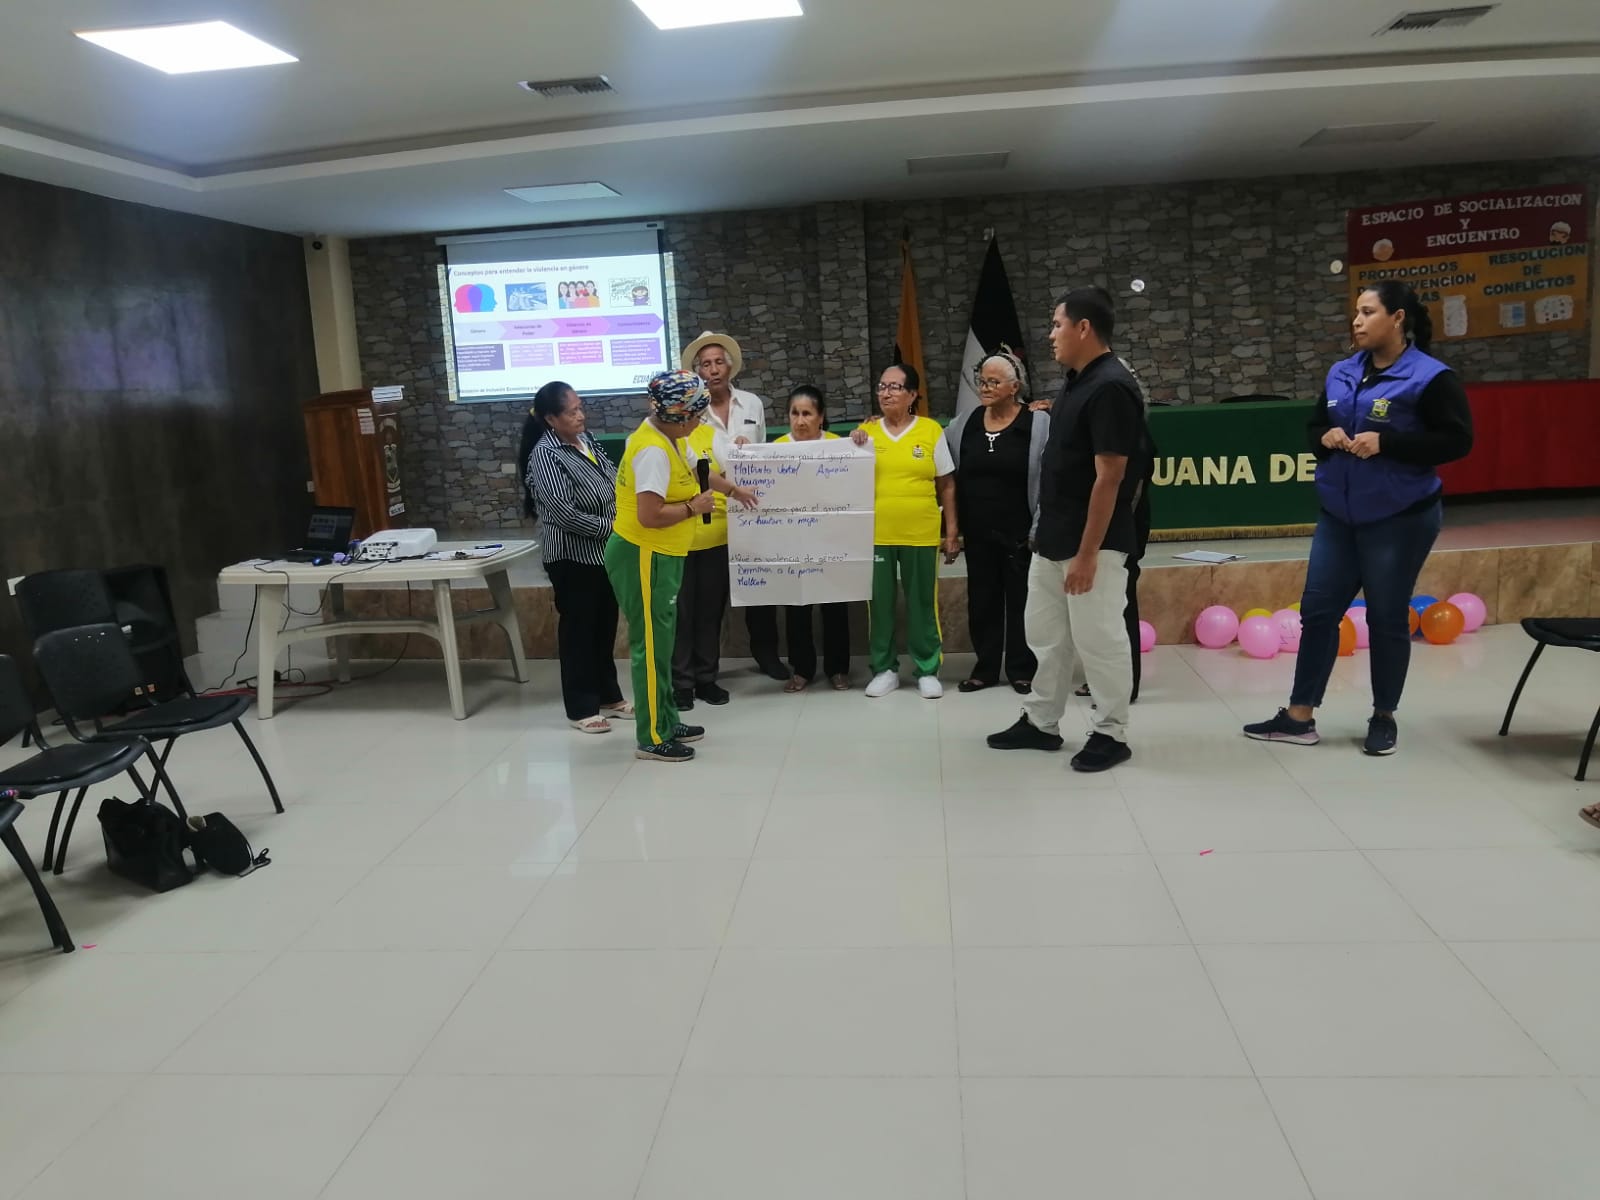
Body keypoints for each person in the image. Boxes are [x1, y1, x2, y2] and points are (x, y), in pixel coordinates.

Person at [1244, 280, 1473, 756]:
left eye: (1368, 312)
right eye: (1356, 312)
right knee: (1318, 612)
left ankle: (1384, 716)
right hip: (1339, 515)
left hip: (1400, 517)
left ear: (1397, 318)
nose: (1357, 321)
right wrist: (1323, 437)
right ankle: (1299, 716)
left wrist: (1388, 443)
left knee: (1387, 616)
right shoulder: (1342, 372)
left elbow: (1457, 440)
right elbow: (1314, 425)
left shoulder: (1429, 377)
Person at [988, 287, 1144, 772]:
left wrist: (1088, 554)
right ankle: (1042, 721)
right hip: (1053, 537)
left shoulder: (1111, 386)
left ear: (1084, 328)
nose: (1051, 335)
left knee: (1099, 640)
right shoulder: (1078, 381)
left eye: (1057, 325)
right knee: (1046, 636)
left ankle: (1111, 732)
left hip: (1093, 544)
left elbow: (1111, 476)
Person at [605, 369, 758, 763]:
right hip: (643, 555)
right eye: (696, 415)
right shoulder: (652, 451)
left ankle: (667, 719)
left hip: (664, 554)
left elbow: (699, 471)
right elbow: (649, 515)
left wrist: (735, 490)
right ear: (678, 415)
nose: (700, 422)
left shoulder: (671, 438)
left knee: (663, 644)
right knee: (650, 647)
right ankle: (652, 737)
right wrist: (694, 507)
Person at [679, 331, 788, 682]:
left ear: (730, 367)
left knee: (760, 591)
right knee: (708, 599)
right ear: (698, 371)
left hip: (751, 510)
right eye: (705, 364)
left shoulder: (752, 404)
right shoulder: (691, 411)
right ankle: (702, 669)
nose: (713, 370)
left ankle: (767, 655)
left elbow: (765, 452)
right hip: (708, 515)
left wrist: (748, 450)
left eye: (718, 362)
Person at [524, 381, 630, 733]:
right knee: (579, 631)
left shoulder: (588, 440)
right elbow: (564, 513)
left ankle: (608, 695)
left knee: (604, 624)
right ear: (551, 418)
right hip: (571, 556)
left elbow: (612, 481)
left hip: (603, 553)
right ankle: (581, 706)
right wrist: (611, 528)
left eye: (580, 408)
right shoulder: (545, 455)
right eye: (571, 412)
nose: (580, 415)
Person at [849, 364, 958, 699]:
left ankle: (927, 668)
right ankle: (884, 669)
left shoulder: (930, 431)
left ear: (912, 395)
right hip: (877, 533)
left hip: (921, 532)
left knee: (922, 604)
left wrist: (951, 532)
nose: (886, 393)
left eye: (894, 387)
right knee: (880, 606)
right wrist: (854, 442)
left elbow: (946, 484)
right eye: (882, 387)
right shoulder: (866, 432)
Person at [942, 348, 1048, 694]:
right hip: (979, 534)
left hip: (1021, 534)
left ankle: (1021, 669)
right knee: (982, 601)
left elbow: (1049, 477)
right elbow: (939, 459)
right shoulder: (964, 424)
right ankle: (985, 668)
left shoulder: (1037, 423)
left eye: (993, 382)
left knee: (1021, 602)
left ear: (1014, 387)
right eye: (982, 381)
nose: (985, 387)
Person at [775, 385, 851, 692]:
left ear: (821, 417)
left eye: (807, 413)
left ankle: (838, 668)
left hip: (832, 541)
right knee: (797, 608)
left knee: (835, 607)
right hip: (793, 543)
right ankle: (802, 668)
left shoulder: (839, 447)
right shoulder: (777, 448)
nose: (800, 420)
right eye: (794, 413)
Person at [671, 408, 733, 709]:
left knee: (709, 612)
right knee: (680, 615)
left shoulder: (714, 436)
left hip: (714, 539)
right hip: (676, 541)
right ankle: (682, 683)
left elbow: (728, 476)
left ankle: (707, 678)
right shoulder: (662, 440)